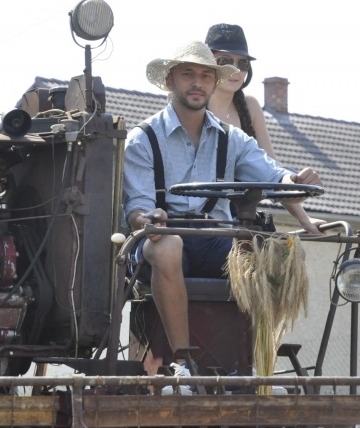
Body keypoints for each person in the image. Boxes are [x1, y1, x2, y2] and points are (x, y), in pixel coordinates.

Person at [122, 40, 323, 394]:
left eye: (205, 75)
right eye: (188, 74)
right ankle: (181, 367)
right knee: (168, 246)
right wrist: (149, 220)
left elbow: (272, 174)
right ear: (170, 82)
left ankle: (251, 368)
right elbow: (136, 209)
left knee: (272, 254)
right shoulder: (142, 139)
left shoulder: (233, 139)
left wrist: (295, 182)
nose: (197, 83)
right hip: (156, 242)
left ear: (214, 83)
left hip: (213, 238)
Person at [205, 23, 325, 234]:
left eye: (242, 63)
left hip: (242, 218)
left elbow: (271, 170)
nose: (236, 69)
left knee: (290, 253)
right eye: (225, 61)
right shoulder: (191, 104)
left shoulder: (249, 107)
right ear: (206, 62)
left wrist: (304, 220)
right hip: (197, 217)